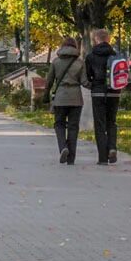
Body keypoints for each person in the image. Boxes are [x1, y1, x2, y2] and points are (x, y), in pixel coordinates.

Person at [44, 35, 86, 164]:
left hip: (60, 97)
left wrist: (46, 95)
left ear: (62, 46)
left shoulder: (56, 62)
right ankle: (71, 159)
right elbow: (84, 81)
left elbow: (49, 80)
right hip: (76, 98)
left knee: (59, 124)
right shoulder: (80, 63)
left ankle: (63, 147)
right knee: (73, 127)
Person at [84, 28, 121, 164]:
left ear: (96, 39)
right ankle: (112, 147)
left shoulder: (91, 56)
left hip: (98, 92)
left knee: (99, 124)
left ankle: (102, 158)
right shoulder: (116, 55)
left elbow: (88, 76)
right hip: (114, 92)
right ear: (108, 39)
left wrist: (94, 83)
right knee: (111, 121)